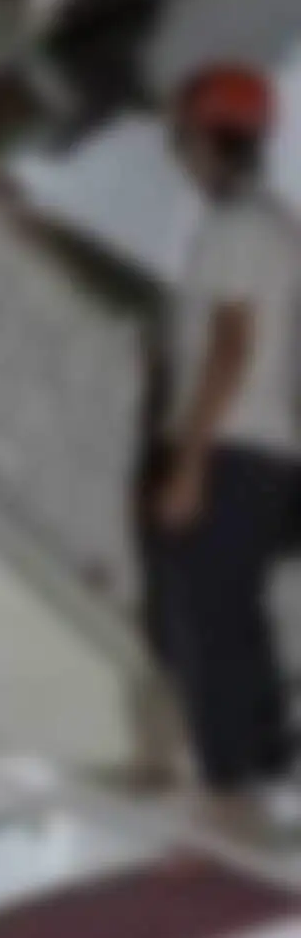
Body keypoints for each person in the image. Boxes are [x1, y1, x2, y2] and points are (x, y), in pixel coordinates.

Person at [145, 62, 301, 818]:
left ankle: (235, 788)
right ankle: (265, 775)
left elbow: (231, 345)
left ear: (209, 137)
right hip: (265, 451)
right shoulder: (270, 223)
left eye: (182, 135)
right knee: (236, 618)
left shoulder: (237, 226)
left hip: (234, 449)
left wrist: (189, 463)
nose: (178, 151)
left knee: (209, 624)